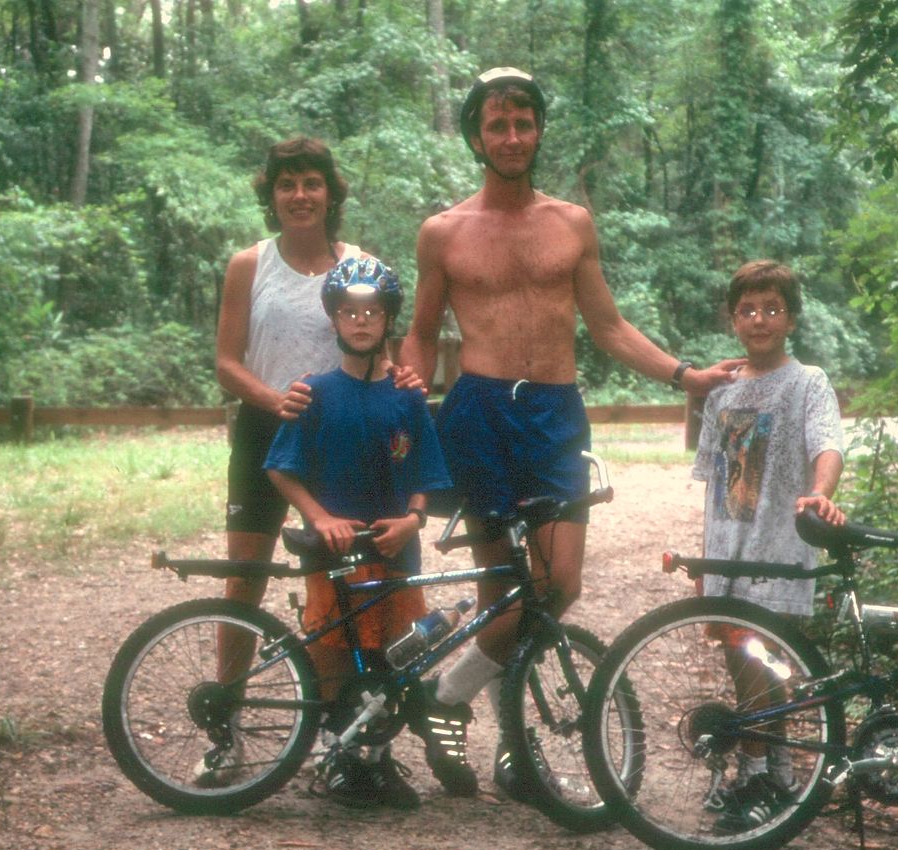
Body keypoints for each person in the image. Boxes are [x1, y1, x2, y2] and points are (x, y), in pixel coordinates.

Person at [398, 67, 743, 798]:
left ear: (539, 129)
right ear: (475, 136)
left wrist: (685, 376)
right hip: (479, 413)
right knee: (506, 592)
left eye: (524, 122)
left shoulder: (571, 223)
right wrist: (403, 405)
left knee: (557, 585)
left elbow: (609, 325)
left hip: (554, 413)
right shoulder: (444, 232)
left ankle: (447, 694)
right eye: (497, 124)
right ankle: (516, 752)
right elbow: (421, 334)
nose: (513, 136)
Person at [202, 137, 416, 789]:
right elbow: (226, 360)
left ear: (331, 193)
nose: (300, 195)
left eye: (312, 183)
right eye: (287, 184)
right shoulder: (249, 264)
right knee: (245, 578)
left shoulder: (361, 264)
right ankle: (225, 729)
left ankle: (344, 736)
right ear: (270, 194)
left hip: (343, 435)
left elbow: (387, 352)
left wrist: (401, 388)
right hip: (268, 429)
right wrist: (274, 398)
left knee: (349, 586)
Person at [265, 256, 453, 810]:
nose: (361, 322)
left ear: (388, 319)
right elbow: (281, 466)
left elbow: (425, 470)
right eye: (349, 312)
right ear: (334, 321)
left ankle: (374, 756)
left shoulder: (406, 395)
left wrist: (414, 518)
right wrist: (318, 516)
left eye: (372, 312)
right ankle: (334, 756)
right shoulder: (316, 392)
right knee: (334, 649)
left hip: (395, 547)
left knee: (394, 654)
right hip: (335, 548)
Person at [691, 259, 846, 833]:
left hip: (778, 545)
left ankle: (758, 775)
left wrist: (819, 495)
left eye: (772, 309)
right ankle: (772, 773)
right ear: (733, 319)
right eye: (748, 310)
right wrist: (703, 557)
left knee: (765, 661)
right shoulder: (720, 395)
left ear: (791, 318)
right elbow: (713, 482)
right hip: (730, 548)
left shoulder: (809, 383)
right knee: (740, 658)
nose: (760, 320)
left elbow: (827, 446)